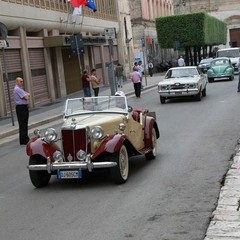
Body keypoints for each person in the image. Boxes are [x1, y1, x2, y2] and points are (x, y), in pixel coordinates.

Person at [13, 77, 30, 145]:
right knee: (23, 124)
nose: (22, 83)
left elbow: (27, 94)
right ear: (17, 82)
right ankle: (24, 139)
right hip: (22, 108)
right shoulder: (18, 89)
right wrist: (27, 95)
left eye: (22, 81)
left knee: (23, 124)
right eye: (20, 81)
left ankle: (23, 139)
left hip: (21, 108)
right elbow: (26, 97)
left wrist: (27, 94)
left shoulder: (19, 89)